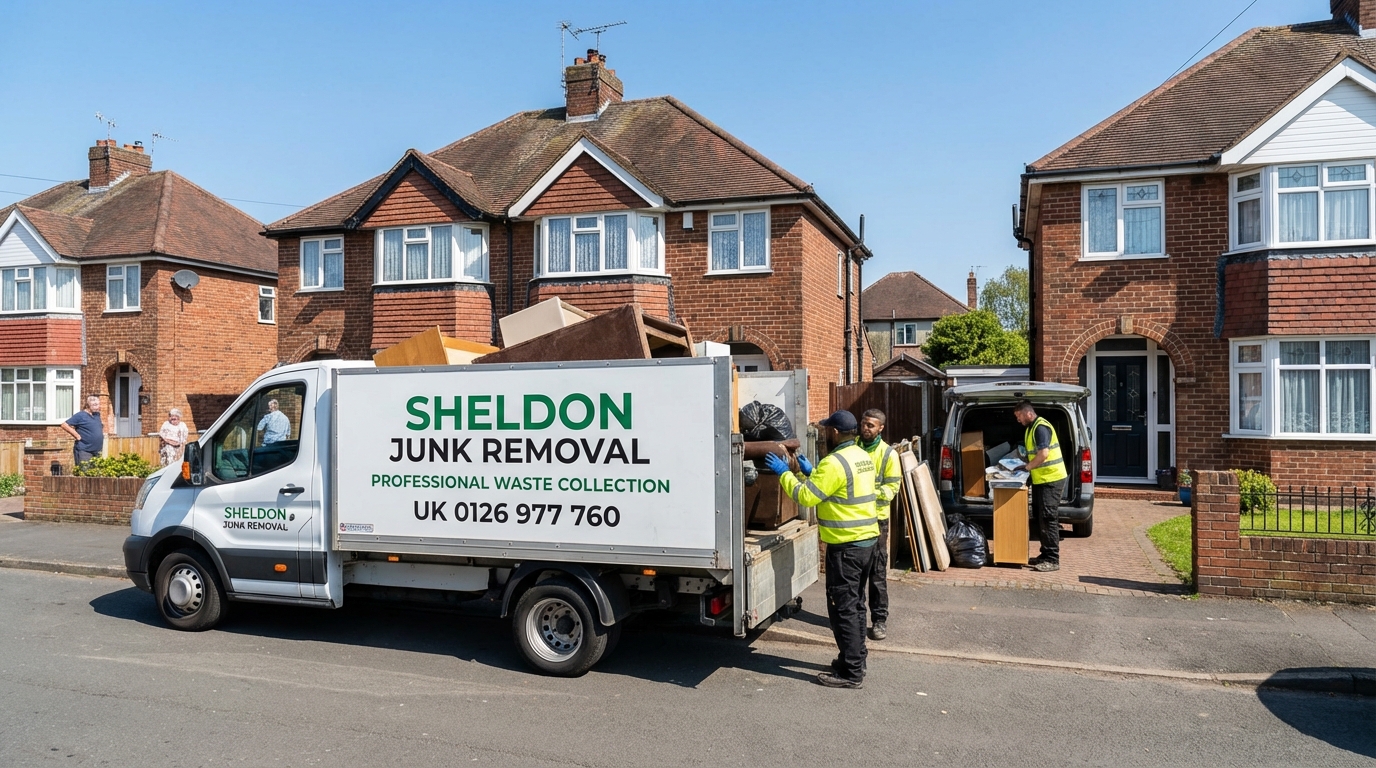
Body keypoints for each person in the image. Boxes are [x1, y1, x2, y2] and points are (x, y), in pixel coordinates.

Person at [763, 410, 878, 689]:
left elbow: (806, 496)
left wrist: (784, 474)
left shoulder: (834, 462)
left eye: (827, 429)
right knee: (857, 606)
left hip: (846, 548)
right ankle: (855, 659)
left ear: (836, 433)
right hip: (866, 544)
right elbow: (841, 489)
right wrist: (813, 472)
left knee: (843, 609)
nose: (825, 432)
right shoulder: (862, 457)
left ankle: (851, 673)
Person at [859, 408, 902, 641]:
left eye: (871, 426)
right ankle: (856, 619)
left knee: (876, 573)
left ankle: (879, 620)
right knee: (856, 575)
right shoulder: (852, 448)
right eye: (864, 424)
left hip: (877, 521)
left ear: (881, 428)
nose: (866, 428)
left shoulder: (888, 455)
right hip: (854, 521)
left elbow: (891, 489)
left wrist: (866, 494)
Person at [1012, 400, 1068, 572]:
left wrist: (1028, 467)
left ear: (1028, 413)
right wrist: (1026, 466)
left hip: (1051, 479)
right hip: (1041, 479)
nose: (1018, 420)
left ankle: (1052, 559)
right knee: (1040, 517)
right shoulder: (1031, 428)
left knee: (1049, 518)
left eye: (1019, 416)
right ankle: (1045, 554)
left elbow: (1043, 454)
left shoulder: (1040, 427)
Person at [60, 395, 104, 467]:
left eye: (98, 404)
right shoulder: (80, 415)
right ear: (88, 405)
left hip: (97, 450)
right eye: (95, 405)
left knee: (96, 475)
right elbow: (64, 425)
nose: (98, 407)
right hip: (84, 450)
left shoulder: (97, 415)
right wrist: (76, 435)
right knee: (84, 474)